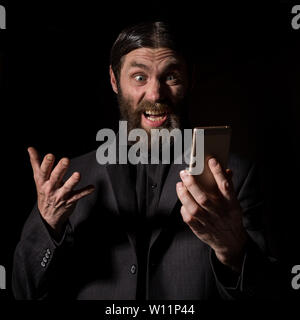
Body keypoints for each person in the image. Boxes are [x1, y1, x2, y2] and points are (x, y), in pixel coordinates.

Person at [12, 21, 278, 300]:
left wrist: (233, 251)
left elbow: (270, 295)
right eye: (139, 77)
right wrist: (48, 226)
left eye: (171, 77)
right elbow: (23, 291)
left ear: (191, 79)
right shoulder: (67, 181)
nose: (155, 94)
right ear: (115, 81)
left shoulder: (235, 176)